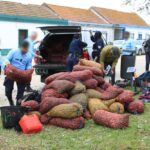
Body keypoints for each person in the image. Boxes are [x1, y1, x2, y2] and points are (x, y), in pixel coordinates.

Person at [4, 41, 32, 106]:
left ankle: (18, 106)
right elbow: (7, 59)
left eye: (26, 49)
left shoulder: (29, 55)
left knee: (21, 92)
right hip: (11, 72)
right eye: (24, 49)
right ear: (20, 47)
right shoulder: (13, 51)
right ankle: (10, 101)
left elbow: (28, 65)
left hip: (21, 74)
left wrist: (28, 70)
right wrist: (8, 64)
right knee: (8, 90)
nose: (25, 51)